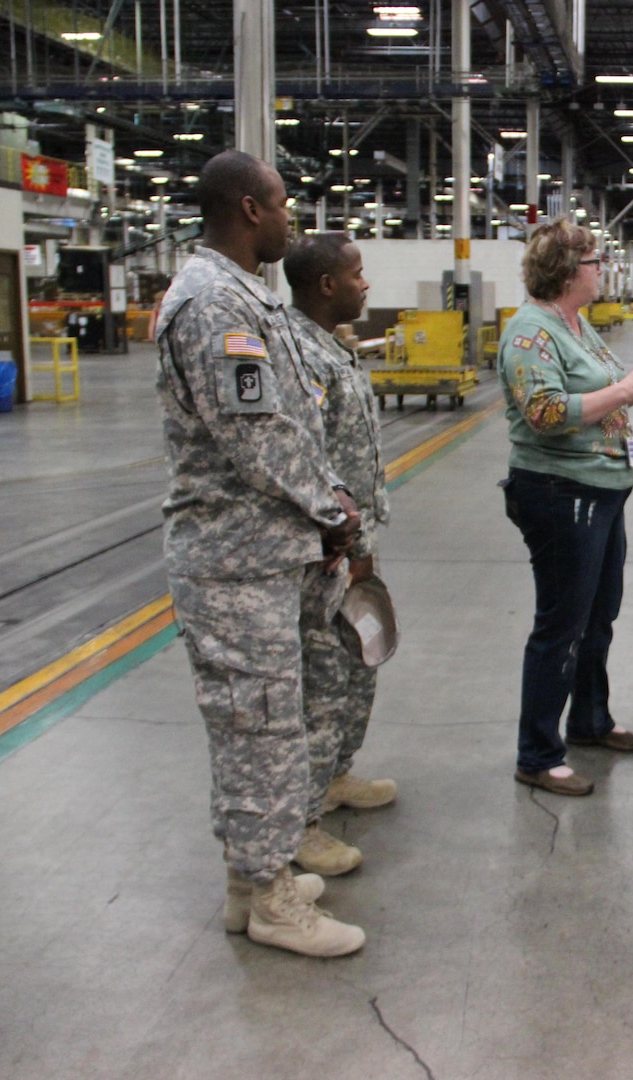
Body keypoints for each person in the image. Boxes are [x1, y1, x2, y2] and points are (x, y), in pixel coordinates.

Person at [155, 150, 365, 955]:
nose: (290, 220)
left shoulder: (246, 296)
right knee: (264, 725)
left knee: (254, 722)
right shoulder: (215, 305)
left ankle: (252, 879)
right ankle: (274, 899)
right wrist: (329, 506)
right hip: (233, 559)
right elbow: (260, 435)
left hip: (258, 555)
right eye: (281, 205)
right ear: (248, 210)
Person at [498, 220, 633, 796]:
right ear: (566, 271)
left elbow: (610, 381)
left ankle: (589, 719)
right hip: (560, 492)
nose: (602, 269)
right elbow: (544, 412)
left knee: (599, 614)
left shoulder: (576, 325)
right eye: (594, 261)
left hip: (602, 490)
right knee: (561, 624)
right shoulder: (530, 334)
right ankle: (537, 754)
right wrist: (625, 393)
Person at [283, 233, 398, 876]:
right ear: (326, 284)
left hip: (356, 537)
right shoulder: (299, 354)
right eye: (357, 274)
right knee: (322, 683)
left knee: (362, 660)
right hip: (322, 549)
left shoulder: (339, 350)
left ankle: (336, 776)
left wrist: (366, 544)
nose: (365, 284)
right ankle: (301, 822)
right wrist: (342, 542)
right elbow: (308, 459)